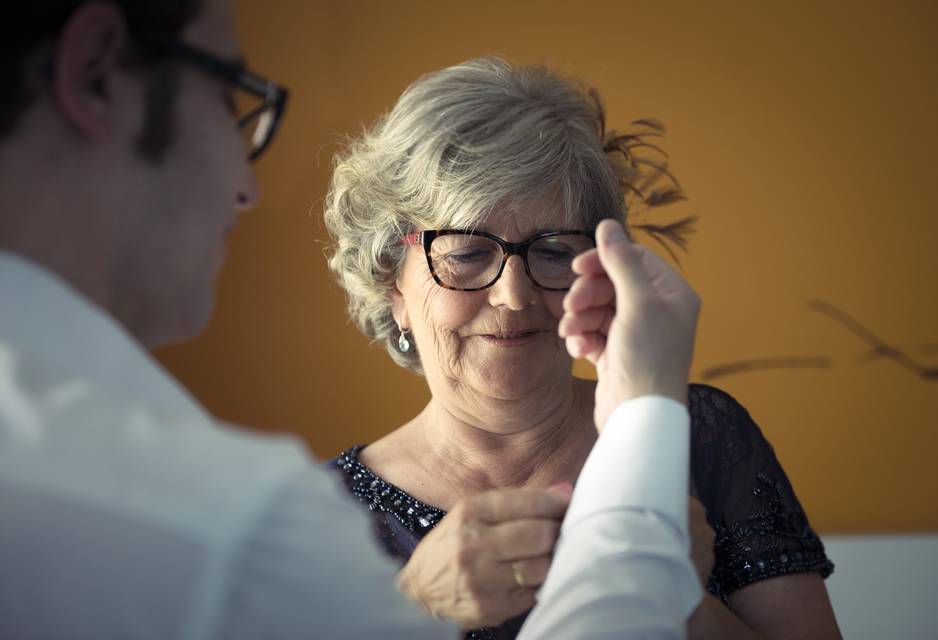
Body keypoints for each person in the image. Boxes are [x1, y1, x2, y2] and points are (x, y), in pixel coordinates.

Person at [1, 1, 705, 638]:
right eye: (227, 97)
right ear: (95, 74)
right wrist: (646, 430)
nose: (246, 188)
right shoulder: (230, 523)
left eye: (552, 250)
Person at [324, 57, 842, 639]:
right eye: (467, 253)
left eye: (551, 251)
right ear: (392, 285)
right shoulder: (320, 516)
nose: (514, 296)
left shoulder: (698, 437)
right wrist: (414, 609)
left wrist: (676, 599)